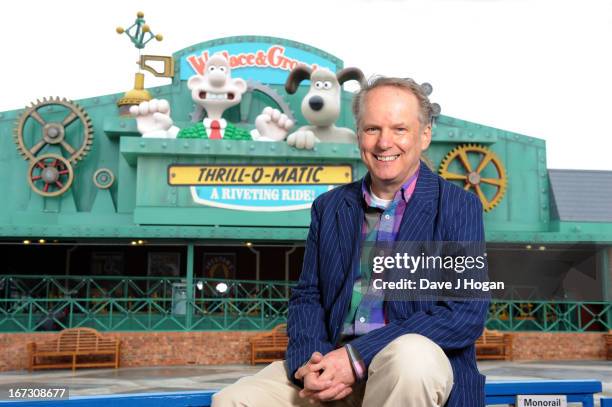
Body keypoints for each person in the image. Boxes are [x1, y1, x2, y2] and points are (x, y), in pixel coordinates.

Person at [212, 76, 489, 406]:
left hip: (403, 375)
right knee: (235, 399)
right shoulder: (329, 208)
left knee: (412, 359)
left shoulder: (458, 206)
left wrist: (357, 358)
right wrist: (308, 366)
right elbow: (308, 296)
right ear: (359, 134)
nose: (384, 142)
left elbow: (464, 313)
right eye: (373, 129)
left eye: (399, 129)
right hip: (331, 365)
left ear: (424, 135)